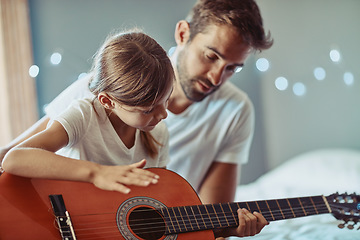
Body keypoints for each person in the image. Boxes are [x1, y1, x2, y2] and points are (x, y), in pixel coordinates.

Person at [1, 0, 273, 238]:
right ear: (182, 34)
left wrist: (226, 229)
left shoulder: (164, 131)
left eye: (232, 68)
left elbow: (170, 207)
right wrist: (97, 173)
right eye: (211, 56)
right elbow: (13, 156)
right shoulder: (94, 98)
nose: (216, 78)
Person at [2, 30, 175, 194]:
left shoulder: (158, 134)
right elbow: (14, 158)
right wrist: (96, 173)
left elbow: (158, 195)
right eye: (148, 110)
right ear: (107, 101)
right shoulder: (84, 115)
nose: (163, 114)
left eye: (166, 100)